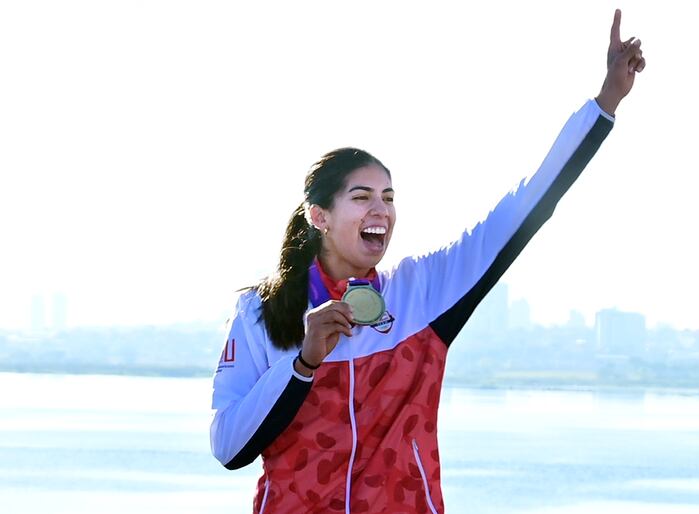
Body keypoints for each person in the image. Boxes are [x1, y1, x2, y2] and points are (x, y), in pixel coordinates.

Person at [210, 9, 645, 514]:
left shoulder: (423, 293)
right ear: (320, 216)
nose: (380, 210)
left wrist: (606, 102)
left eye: (388, 197)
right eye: (361, 197)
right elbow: (228, 447)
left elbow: (524, 210)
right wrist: (303, 362)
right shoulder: (259, 312)